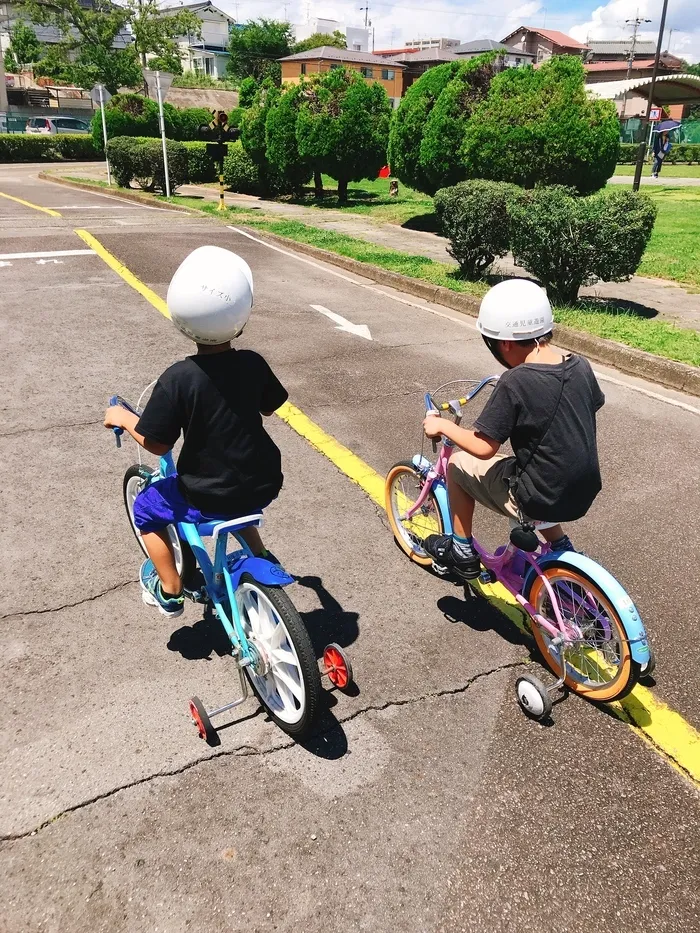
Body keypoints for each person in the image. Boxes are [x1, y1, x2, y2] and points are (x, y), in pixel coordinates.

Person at [103, 245, 288, 617]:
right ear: (241, 317)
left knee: (145, 510)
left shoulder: (179, 378)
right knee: (238, 495)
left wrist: (124, 418)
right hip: (264, 480)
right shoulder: (253, 362)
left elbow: (156, 443)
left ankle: (170, 589)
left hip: (207, 493)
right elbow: (269, 405)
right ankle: (260, 554)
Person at [422, 279, 605, 580]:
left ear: (503, 342)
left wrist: (441, 424)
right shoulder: (580, 364)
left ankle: (462, 550)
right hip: (582, 488)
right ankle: (560, 543)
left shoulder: (516, 381)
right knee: (540, 469)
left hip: (538, 496)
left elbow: (483, 447)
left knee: (456, 465)